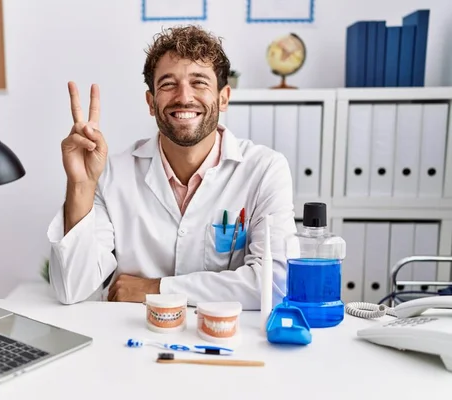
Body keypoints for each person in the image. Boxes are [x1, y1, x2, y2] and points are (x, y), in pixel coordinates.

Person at [46, 25, 296, 309]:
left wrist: (156, 289)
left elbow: (275, 284)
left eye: (199, 82)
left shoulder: (264, 170)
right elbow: (72, 289)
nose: (184, 97)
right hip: (130, 341)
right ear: (151, 102)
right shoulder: (112, 173)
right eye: (168, 84)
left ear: (223, 98)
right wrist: (81, 184)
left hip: (225, 340)